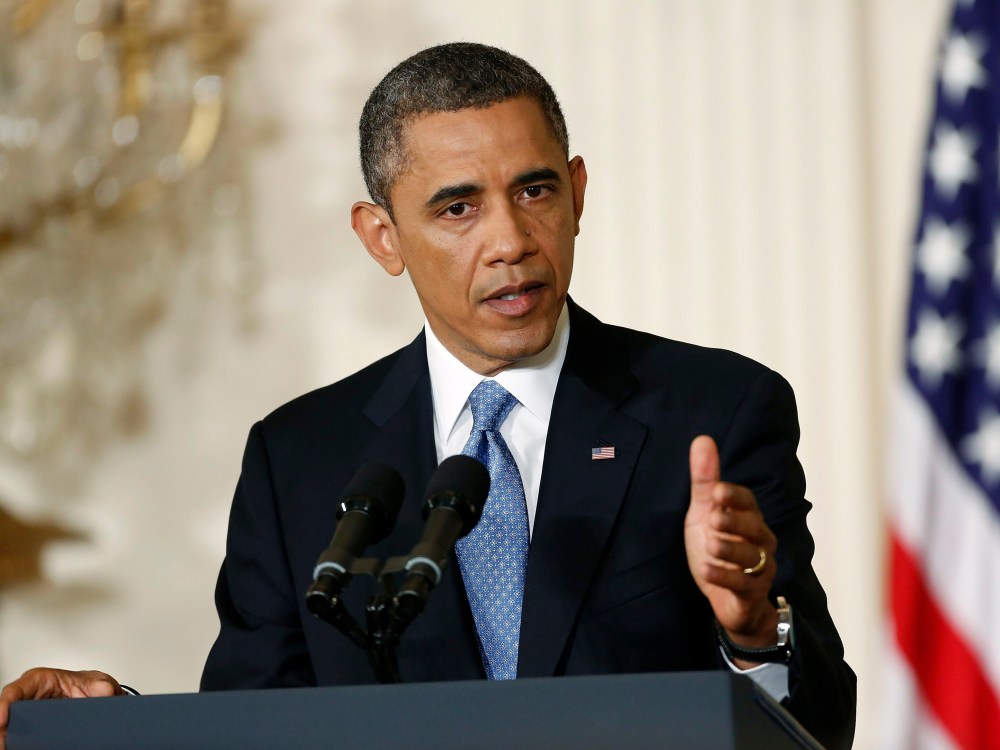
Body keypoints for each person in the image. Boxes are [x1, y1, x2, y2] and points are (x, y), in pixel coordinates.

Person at [0, 42, 856, 749]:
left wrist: (753, 630)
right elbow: (254, 725)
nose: (511, 241)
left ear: (578, 193)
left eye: (535, 190)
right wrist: (107, 726)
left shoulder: (712, 412)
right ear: (383, 237)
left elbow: (824, 726)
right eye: (457, 209)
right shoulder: (299, 460)